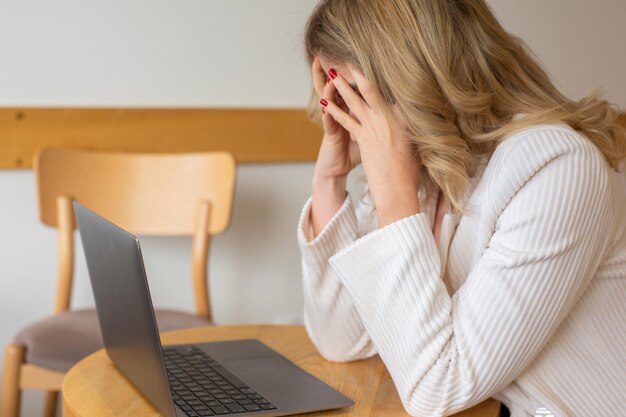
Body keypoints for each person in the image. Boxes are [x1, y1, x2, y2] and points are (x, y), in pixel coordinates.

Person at [296, 1, 626, 417]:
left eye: (354, 95)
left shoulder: (557, 167)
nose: (349, 115)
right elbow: (340, 340)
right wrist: (330, 181)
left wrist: (393, 196)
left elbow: (438, 388)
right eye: (336, 96)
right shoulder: (427, 173)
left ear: (413, 75)